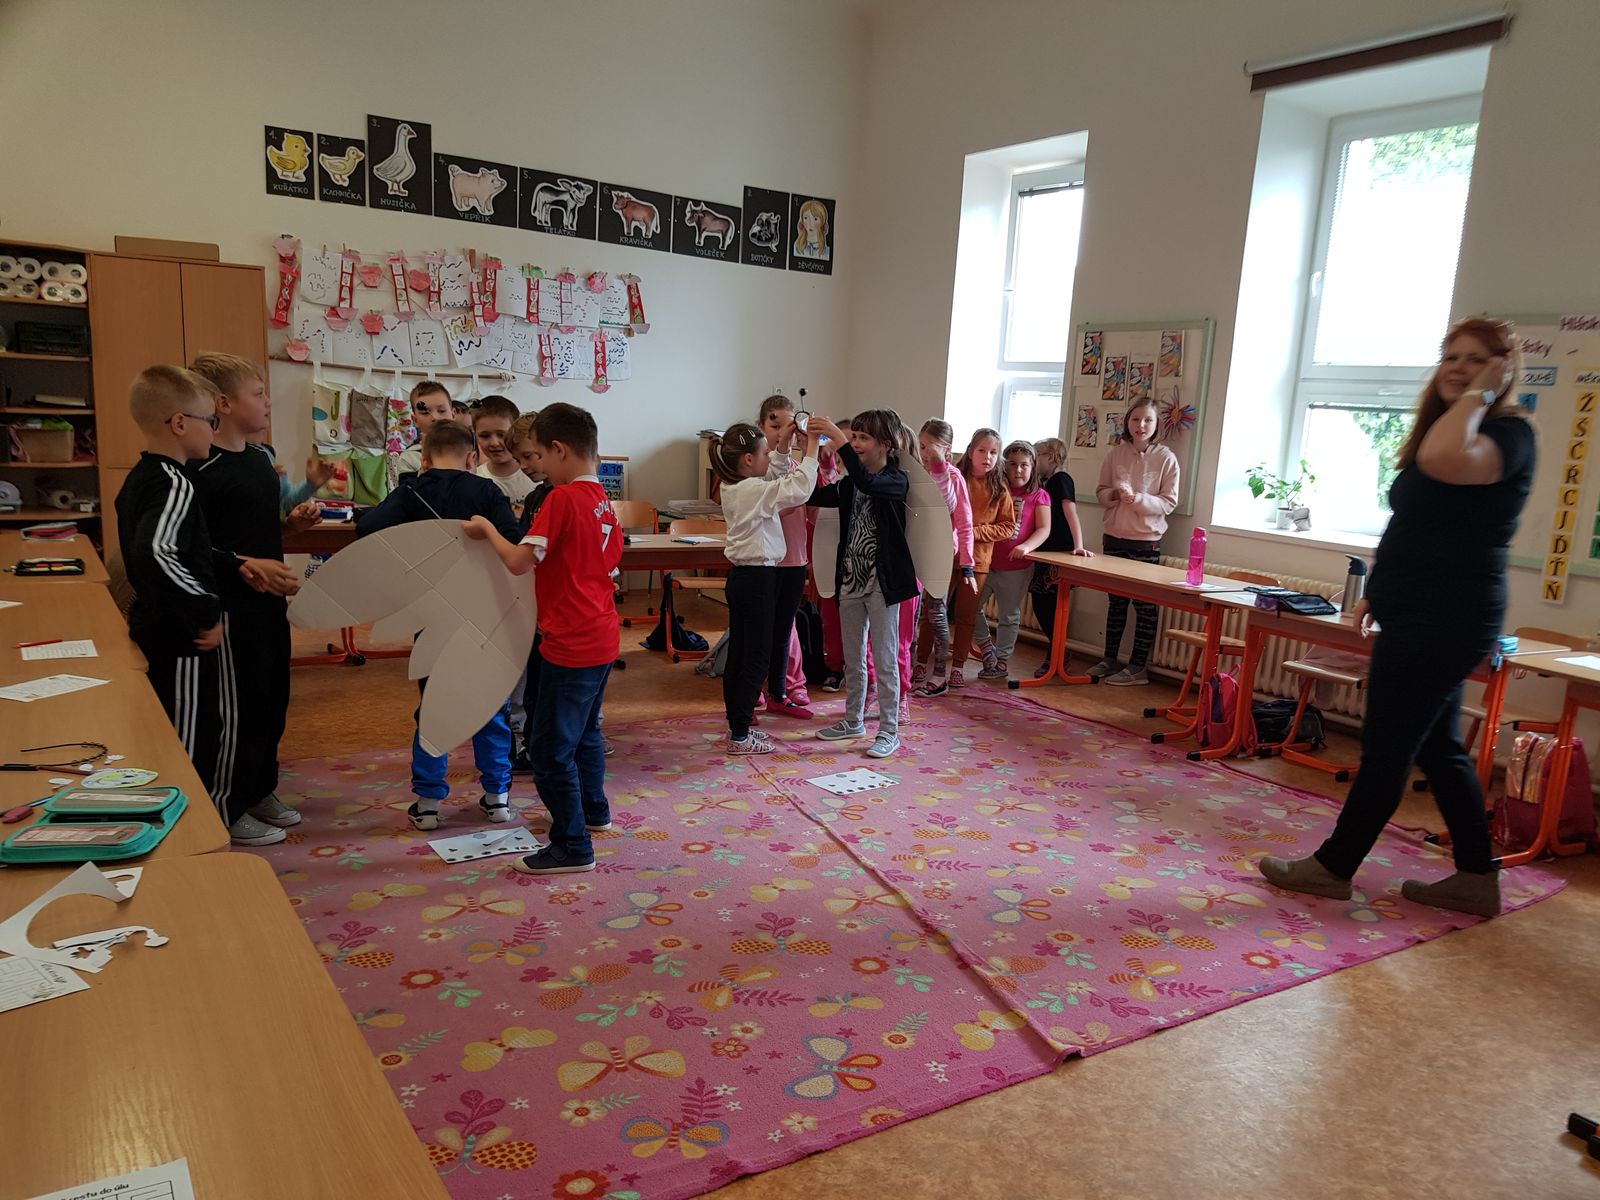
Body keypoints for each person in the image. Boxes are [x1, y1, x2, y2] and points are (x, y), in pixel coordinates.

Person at [1261, 318, 1535, 918]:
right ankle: (1476, 877)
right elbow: (1409, 523)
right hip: (1417, 610)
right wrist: (1376, 592)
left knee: (1387, 747)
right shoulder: (1448, 426)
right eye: (1450, 357)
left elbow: (1442, 458)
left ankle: (1334, 867)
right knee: (1439, 749)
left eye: (1475, 359)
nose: (1458, 368)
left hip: (1448, 617)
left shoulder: (1510, 435)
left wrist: (1481, 393)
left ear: (1501, 368)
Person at [117, 366, 288, 844]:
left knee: (217, 720)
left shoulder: (147, 477)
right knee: (200, 730)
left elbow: (179, 549)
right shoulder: (175, 482)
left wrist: (234, 565)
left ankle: (212, 813)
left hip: (180, 622)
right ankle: (207, 823)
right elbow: (156, 554)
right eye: (207, 421)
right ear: (179, 423)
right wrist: (205, 609)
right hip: (184, 632)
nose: (212, 431)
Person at [466, 402, 623, 875]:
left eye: (539, 455)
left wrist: (487, 530)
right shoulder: (604, 501)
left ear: (558, 449)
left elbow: (519, 562)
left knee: (549, 749)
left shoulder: (561, 498)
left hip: (570, 642)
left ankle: (572, 846)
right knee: (586, 733)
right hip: (602, 635)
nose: (537, 466)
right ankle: (594, 812)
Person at [357, 421, 522, 829]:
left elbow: (367, 528)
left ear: (425, 460)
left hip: (431, 615)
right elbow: (512, 539)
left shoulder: (411, 490)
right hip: (484, 613)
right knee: (490, 704)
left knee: (434, 706)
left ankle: (428, 804)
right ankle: (497, 798)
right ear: (472, 458)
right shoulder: (486, 491)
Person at [184, 353, 305, 843]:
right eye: (258, 393)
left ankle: (258, 788)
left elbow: (263, 527)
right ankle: (227, 804)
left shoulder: (260, 458)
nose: (267, 401)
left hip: (269, 606)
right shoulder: (199, 467)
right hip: (229, 608)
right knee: (236, 709)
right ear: (224, 403)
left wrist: (291, 526)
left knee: (272, 699)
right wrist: (242, 563)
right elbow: (192, 545)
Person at [807, 410, 915, 759]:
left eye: (862, 438)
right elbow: (815, 495)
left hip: (883, 584)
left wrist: (839, 443)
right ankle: (853, 720)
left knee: (884, 659)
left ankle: (888, 730)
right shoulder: (851, 482)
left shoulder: (896, 480)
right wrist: (803, 454)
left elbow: (869, 483)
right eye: (853, 437)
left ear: (886, 444)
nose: (854, 443)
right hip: (851, 581)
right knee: (853, 658)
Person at [710, 420, 822, 753]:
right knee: (756, 659)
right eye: (764, 452)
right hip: (757, 580)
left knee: (741, 656)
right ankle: (740, 735)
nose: (768, 456)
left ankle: (737, 727)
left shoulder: (736, 485)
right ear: (748, 459)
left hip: (743, 579)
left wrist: (783, 447)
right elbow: (799, 487)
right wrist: (812, 447)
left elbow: (772, 476)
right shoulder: (752, 491)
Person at [1091, 398, 1179, 686]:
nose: (1141, 425)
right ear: (1127, 422)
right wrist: (1115, 495)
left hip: (1145, 541)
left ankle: (1138, 667)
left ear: (1156, 424)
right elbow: (1101, 492)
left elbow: (1169, 503)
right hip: (1114, 537)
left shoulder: (1166, 458)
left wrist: (1138, 499)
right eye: (1135, 419)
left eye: (1148, 420)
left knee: (1144, 606)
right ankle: (1109, 659)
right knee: (1116, 603)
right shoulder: (1115, 454)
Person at [973, 440, 1051, 680]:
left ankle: (1002, 660)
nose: (1018, 470)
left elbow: (1044, 529)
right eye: (1013, 464)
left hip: (1016, 569)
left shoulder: (1039, 496)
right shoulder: (996, 489)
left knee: (1008, 615)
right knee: (968, 607)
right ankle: (987, 648)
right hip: (986, 563)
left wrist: (1026, 546)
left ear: (1032, 466)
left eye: (1024, 465)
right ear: (1004, 466)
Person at [757, 394, 814, 719]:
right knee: (760, 629)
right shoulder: (758, 469)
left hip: (795, 560)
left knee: (782, 631)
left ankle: (780, 691)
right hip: (767, 561)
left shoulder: (799, 469)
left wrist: (815, 457)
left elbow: (814, 511)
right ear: (761, 427)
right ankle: (755, 689)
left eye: (788, 426)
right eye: (774, 425)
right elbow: (777, 502)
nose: (782, 433)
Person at [911, 420, 977, 697]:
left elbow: (963, 521)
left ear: (947, 449)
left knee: (936, 613)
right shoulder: (916, 472)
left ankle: (939, 674)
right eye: (921, 446)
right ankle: (913, 665)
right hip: (915, 551)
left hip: (939, 553)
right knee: (913, 613)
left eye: (931, 447)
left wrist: (967, 564)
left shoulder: (953, 477)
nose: (925, 452)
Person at [947, 427, 1016, 687]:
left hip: (977, 560)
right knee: (934, 613)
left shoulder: (999, 488)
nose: (987, 457)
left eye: (993, 452)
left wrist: (974, 532)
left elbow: (1007, 526)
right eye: (982, 450)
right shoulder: (956, 479)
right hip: (947, 555)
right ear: (970, 451)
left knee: (966, 616)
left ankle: (958, 666)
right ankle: (924, 663)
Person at [1027, 437, 1092, 678]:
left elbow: (1071, 513)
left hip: (1059, 551)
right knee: (1040, 603)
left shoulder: (1061, 480)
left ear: (1051, 457)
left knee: (1050, 606)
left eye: (1037, 457)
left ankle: (1056, 654)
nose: (1034, 463)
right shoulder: (1043, 482)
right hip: (1045, 550)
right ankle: (1057, 652)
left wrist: (1078, 546)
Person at [472, 395, 536, 505]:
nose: (494, 443)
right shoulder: (474, 481)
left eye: (502, 435)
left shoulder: (537, 475)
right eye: (485, 436)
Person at [393, 380, 452, 479]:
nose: (435, 418)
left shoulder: (467, 449)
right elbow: (410, 488)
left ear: (453, 414)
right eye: (425, 413)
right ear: (415, 420)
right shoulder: (408, 459)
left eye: (442, 411)